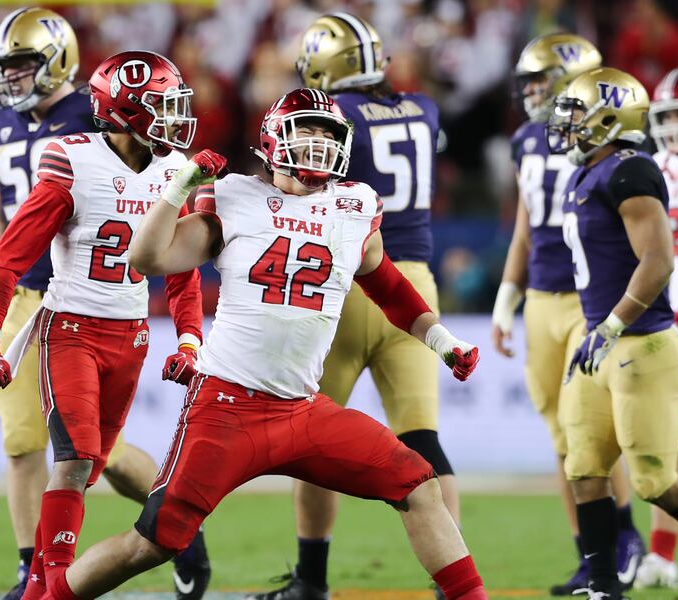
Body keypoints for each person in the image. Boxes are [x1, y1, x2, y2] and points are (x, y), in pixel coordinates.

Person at [38, 87, 486, 600]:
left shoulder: (354, 206)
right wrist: (181, 185)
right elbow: (147, 259)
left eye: (327, 132)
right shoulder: (235, 196)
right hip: (225, 407)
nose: (319, 141)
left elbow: (388, 286)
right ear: (274, 139)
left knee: (418, 484)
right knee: (153, 543)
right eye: (307, 129)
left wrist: (442, 339)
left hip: (302, 411)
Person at [0, 9, 211, 600]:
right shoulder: (33, 135)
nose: (12, 78)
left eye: (23, 64)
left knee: (97, 458)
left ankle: (173, 533)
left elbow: (180, 266)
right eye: (6, 67)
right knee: (37, 448)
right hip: (50, 304)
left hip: (122, 322)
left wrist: (190, 338)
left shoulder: (127, 143)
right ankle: (38, 578)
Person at [250, 13, 459, 600]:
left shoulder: (334, 119)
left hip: (350, 275)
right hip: (416, 284)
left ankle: (311, 580)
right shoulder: (424, 109)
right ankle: (456, 579)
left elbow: (302, 181)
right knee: (424, 440)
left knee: (311, 437)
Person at [493, 33, 645, 595]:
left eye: (540, 80)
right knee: (563, 439)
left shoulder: (614, 142)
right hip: (541, 296)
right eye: (527, 82)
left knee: (591, 433)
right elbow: (527, 226)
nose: (531, 92)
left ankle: (624, 537)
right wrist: (507, 294)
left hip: (590, 298)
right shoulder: (525, 141)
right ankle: (591, 553)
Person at [549, 66, 678, 599]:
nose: (566, 124)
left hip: (639, 342)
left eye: (575, 113)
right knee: (585, 466)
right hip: (600, 340)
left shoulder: (630, 170)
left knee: (656, 481)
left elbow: (658, 261)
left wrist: (614, 324)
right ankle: (601, 586)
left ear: (607, 116)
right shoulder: (584, 173)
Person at [634, 65, 678, 589]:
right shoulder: (653, 169)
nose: (677, 125)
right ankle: (661, 554)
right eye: (670, 115)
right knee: (673, 445)